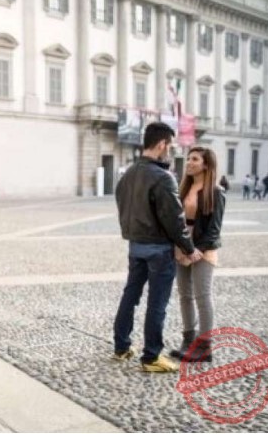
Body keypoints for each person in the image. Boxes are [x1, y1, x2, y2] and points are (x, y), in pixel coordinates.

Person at [113, 122, 201, 373]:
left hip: (135, 245)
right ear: (162, 144)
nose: (170, 150)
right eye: (170, 146)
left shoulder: (127, 174)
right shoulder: (163, 177)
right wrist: (189, 247)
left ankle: (121, 347)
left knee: (130, 295)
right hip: (159, 249)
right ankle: (151, 357)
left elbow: (122, 207)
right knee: (157, 303)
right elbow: (174, 219)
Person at [170, 147, 226, 363]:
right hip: (182, 245)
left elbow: (214, 229)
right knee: (185, 295)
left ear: (206, 164)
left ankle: (204, 347)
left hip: (203, 249)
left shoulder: (216, 192)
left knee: (202, 296)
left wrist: (198, 250)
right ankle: (188, 341)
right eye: (188, 159)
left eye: (194, 159)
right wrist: (182, 245)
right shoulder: (183, 188)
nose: (189, 162)